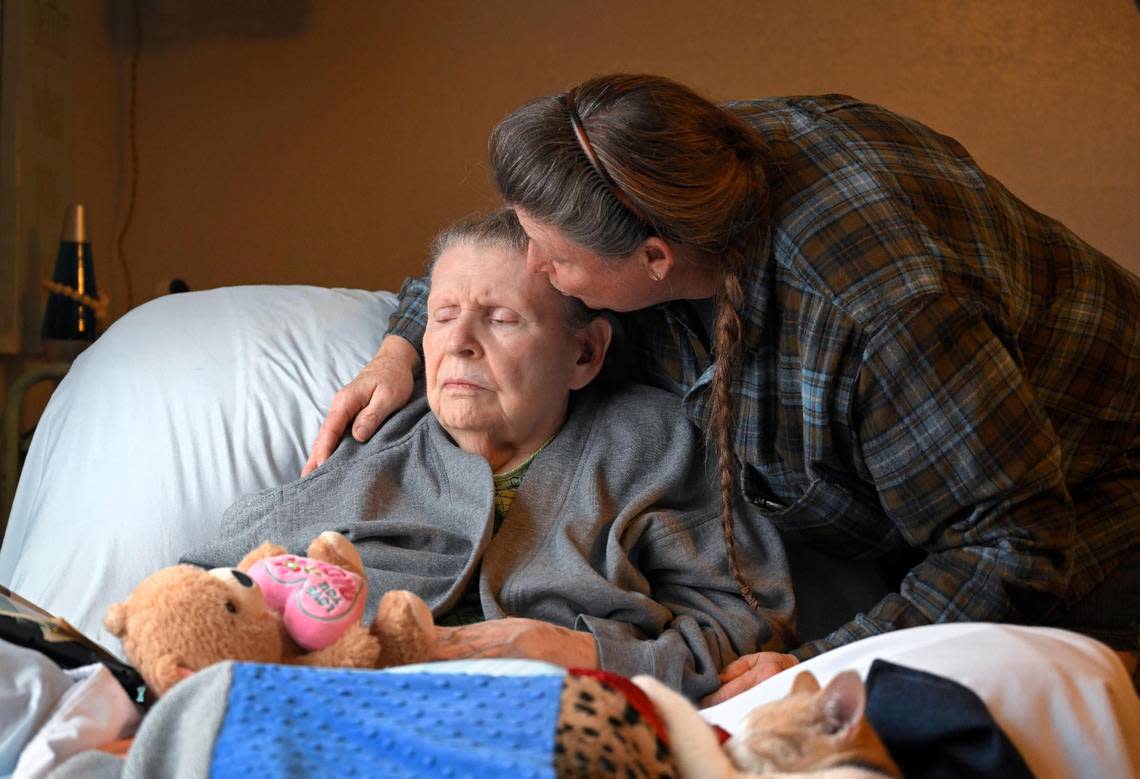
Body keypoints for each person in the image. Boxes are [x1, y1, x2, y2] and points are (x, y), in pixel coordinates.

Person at [305, 75, 1140, 704]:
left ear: (653, 263)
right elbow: (496, 258)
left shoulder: (875, 314)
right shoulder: (669, 172)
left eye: (549, 261)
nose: (531, 271)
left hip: (1098, 486)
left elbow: (1012, 541)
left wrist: (820, 663)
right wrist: (401, 342)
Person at [185, 209, 794, 700]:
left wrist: (582, 656)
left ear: (585, 353)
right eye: (443, 316)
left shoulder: (650, 444)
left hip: (572, 726)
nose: (459, 343)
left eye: (501, 319)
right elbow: (208, 585)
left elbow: (740, 623)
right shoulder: (379, 442)